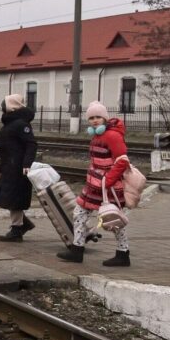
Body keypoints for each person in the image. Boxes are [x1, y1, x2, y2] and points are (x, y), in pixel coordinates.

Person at [57, 101, 131, 266]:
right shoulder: (98, 135)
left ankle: (123, 253)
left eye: (98, 117)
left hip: (107, 187)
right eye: (91, 118)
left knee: (113, 219)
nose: (95, 121)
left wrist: (108, 180)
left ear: (105, 118)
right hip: (94, 185)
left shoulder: (112, 136)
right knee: (79, 213)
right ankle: (77, 249)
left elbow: (122, 160)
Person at [0, 94, 38, 242]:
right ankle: (23, 223)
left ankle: (17, 229)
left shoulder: (21, 124)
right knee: (4, 196)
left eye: (3, 104)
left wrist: (26, 164)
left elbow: (31, 144)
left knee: (13, 198)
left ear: (12, 106)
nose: (1, 106)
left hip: (18, 168)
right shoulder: (11, 122)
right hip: (9, 166)